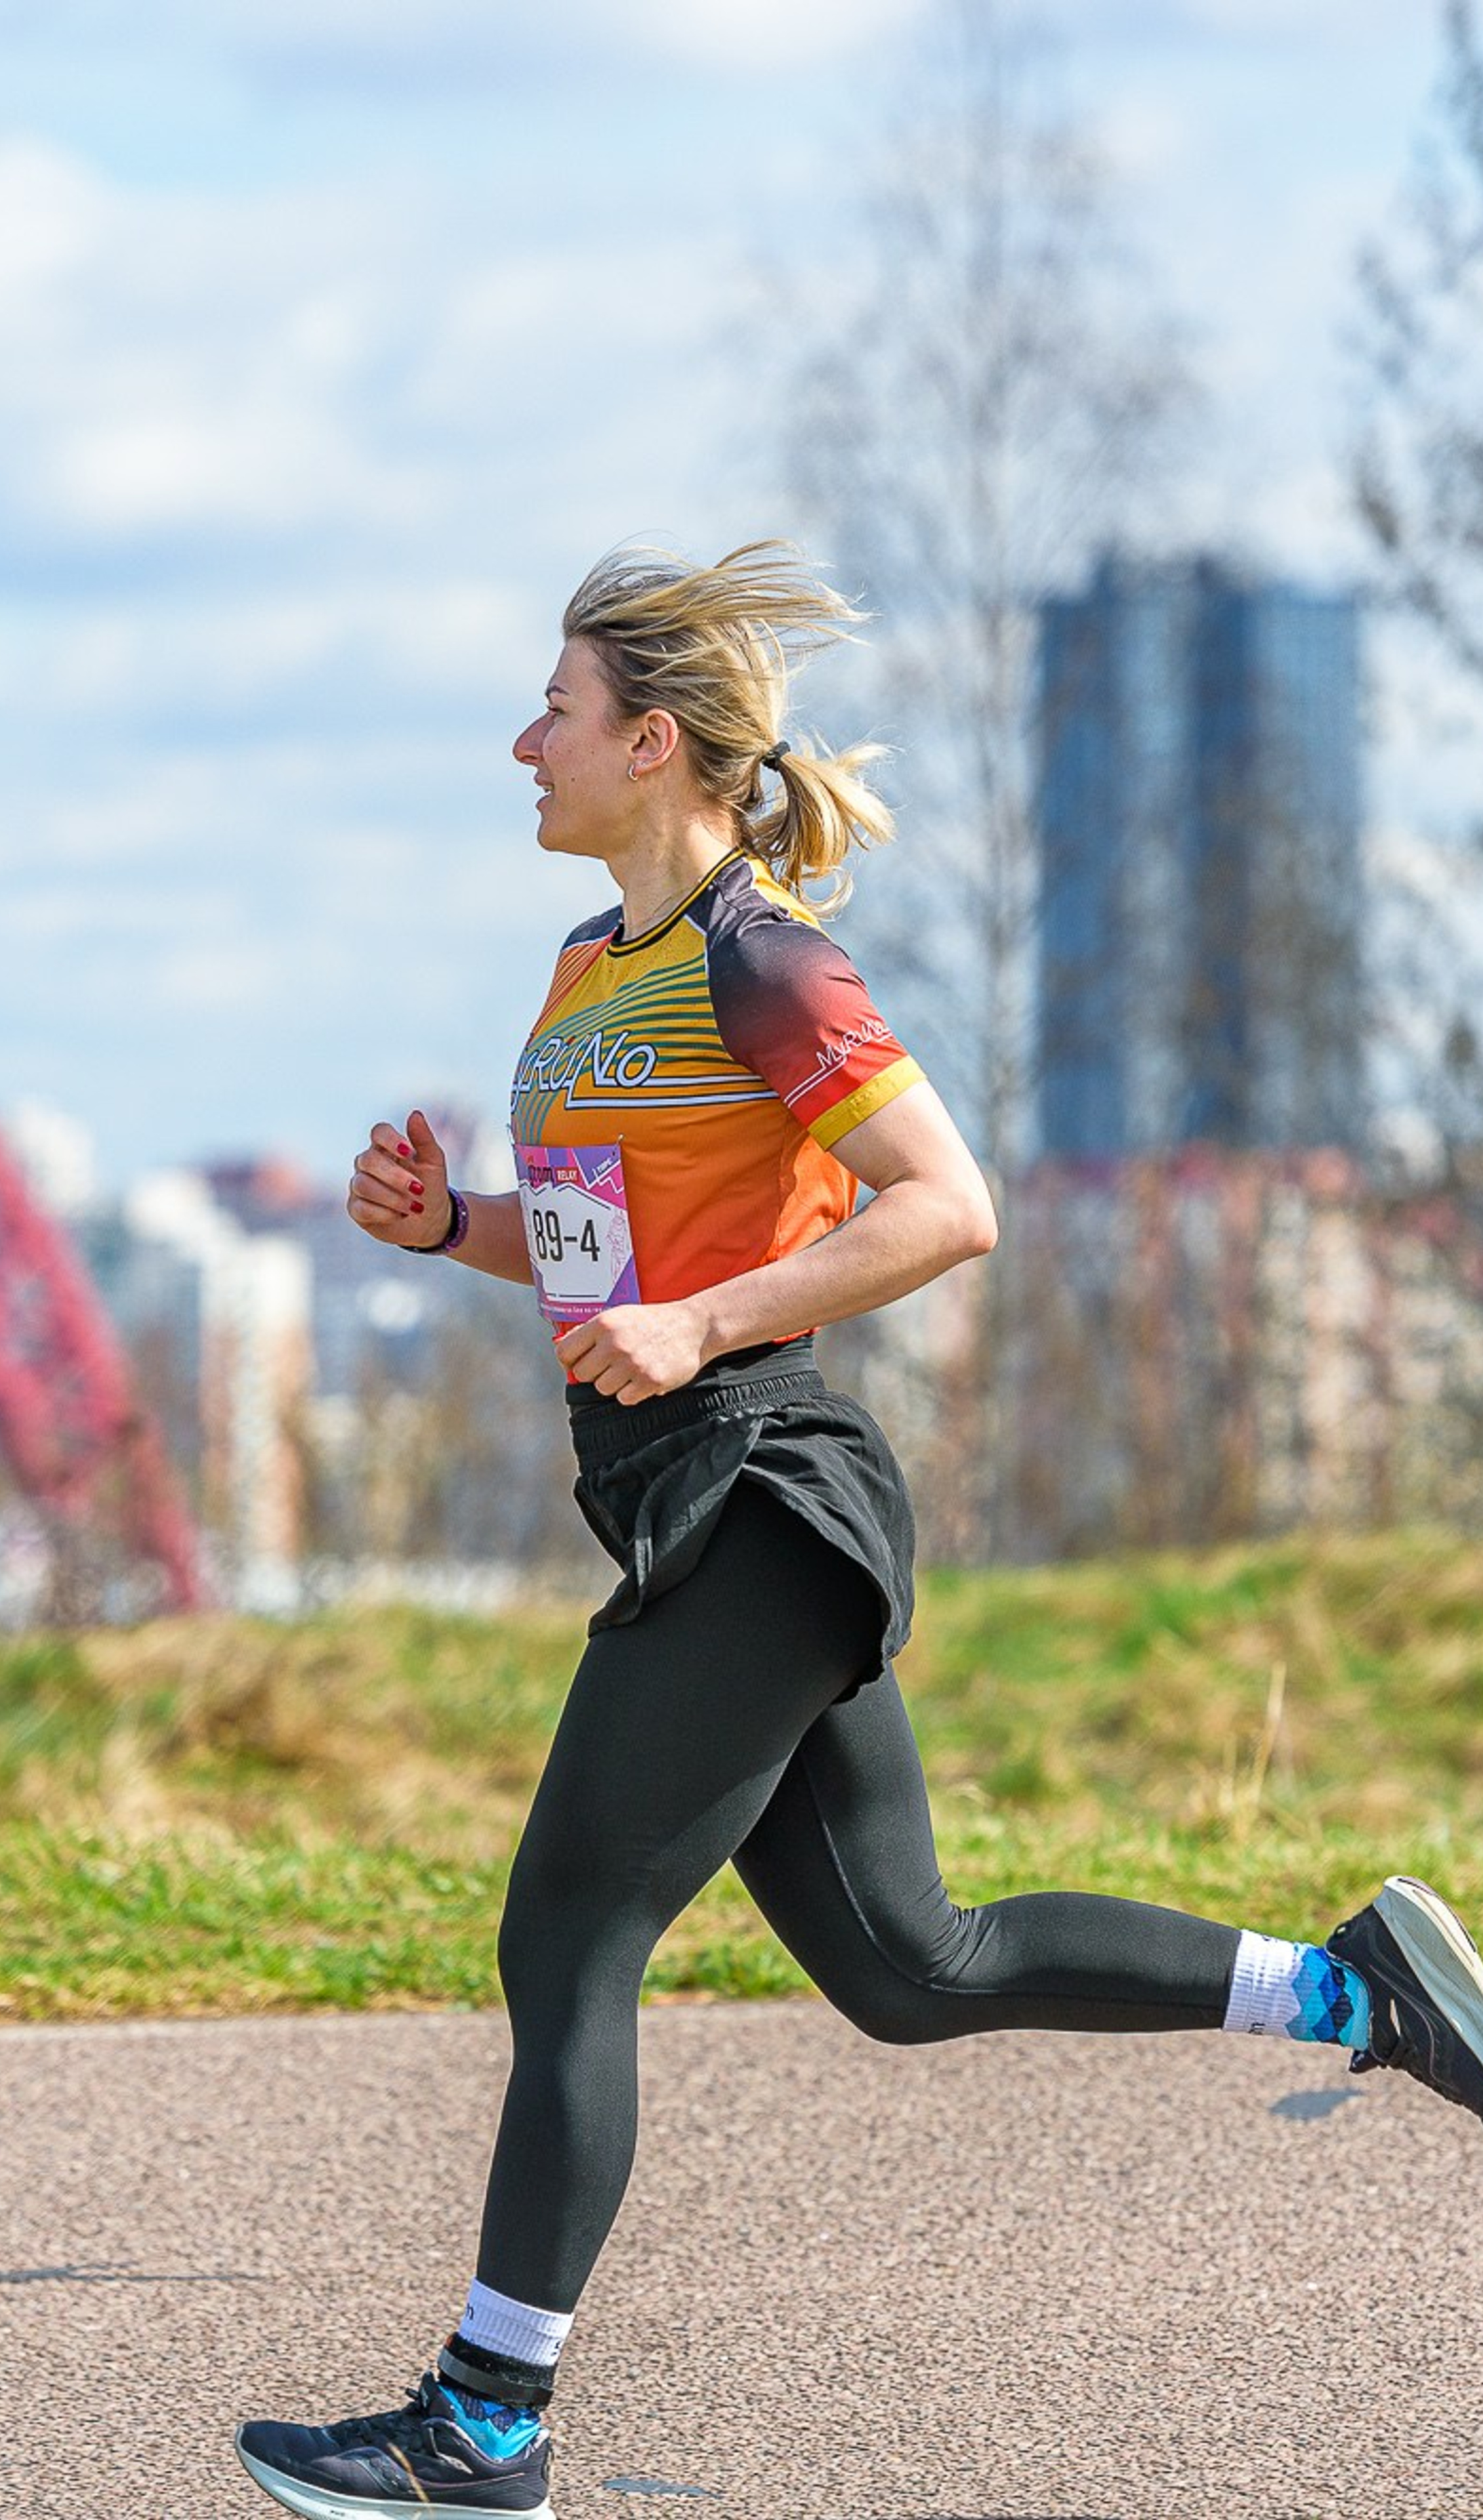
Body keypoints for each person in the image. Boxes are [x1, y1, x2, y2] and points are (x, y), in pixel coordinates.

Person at [236, 543, 1483, 2520]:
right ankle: (1348, 1992)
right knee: (916, 1968)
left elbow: (945, 1205)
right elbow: (607, 1268)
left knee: (567, 1934)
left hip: (764, 1486)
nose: (519, 741)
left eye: (550, 710)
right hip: (682, 1486)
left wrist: (709, 1322)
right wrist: (451, 1231)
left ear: (651, 745)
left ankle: (484, 2420)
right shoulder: (589, 971)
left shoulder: (768, 957)